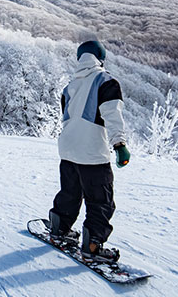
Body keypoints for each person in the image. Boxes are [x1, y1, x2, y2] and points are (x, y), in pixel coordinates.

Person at [48, 40, 131, 264]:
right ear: (100, 57)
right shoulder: (106, 81)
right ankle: (92, 246)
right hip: (92, 152)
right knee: (100, 200)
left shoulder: (70, 86)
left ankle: (59, 229)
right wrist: (120, 145)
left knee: (70, 193)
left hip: (67, 148)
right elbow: (112, 115)